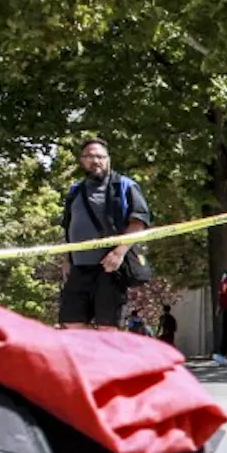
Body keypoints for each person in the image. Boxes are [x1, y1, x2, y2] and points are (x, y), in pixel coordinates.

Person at [57, 137, 151, 331]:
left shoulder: (125, 186)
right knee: (71, 324)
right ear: (82, 161)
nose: (95, 161)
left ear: (108, 159)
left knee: (107, 327)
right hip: (79, 269)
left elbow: (139, 222)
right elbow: (69, 226)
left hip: (109, 269)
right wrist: (67, 259)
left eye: (100, 157)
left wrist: (118, 253)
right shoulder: (75, 191)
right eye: (90, 156)